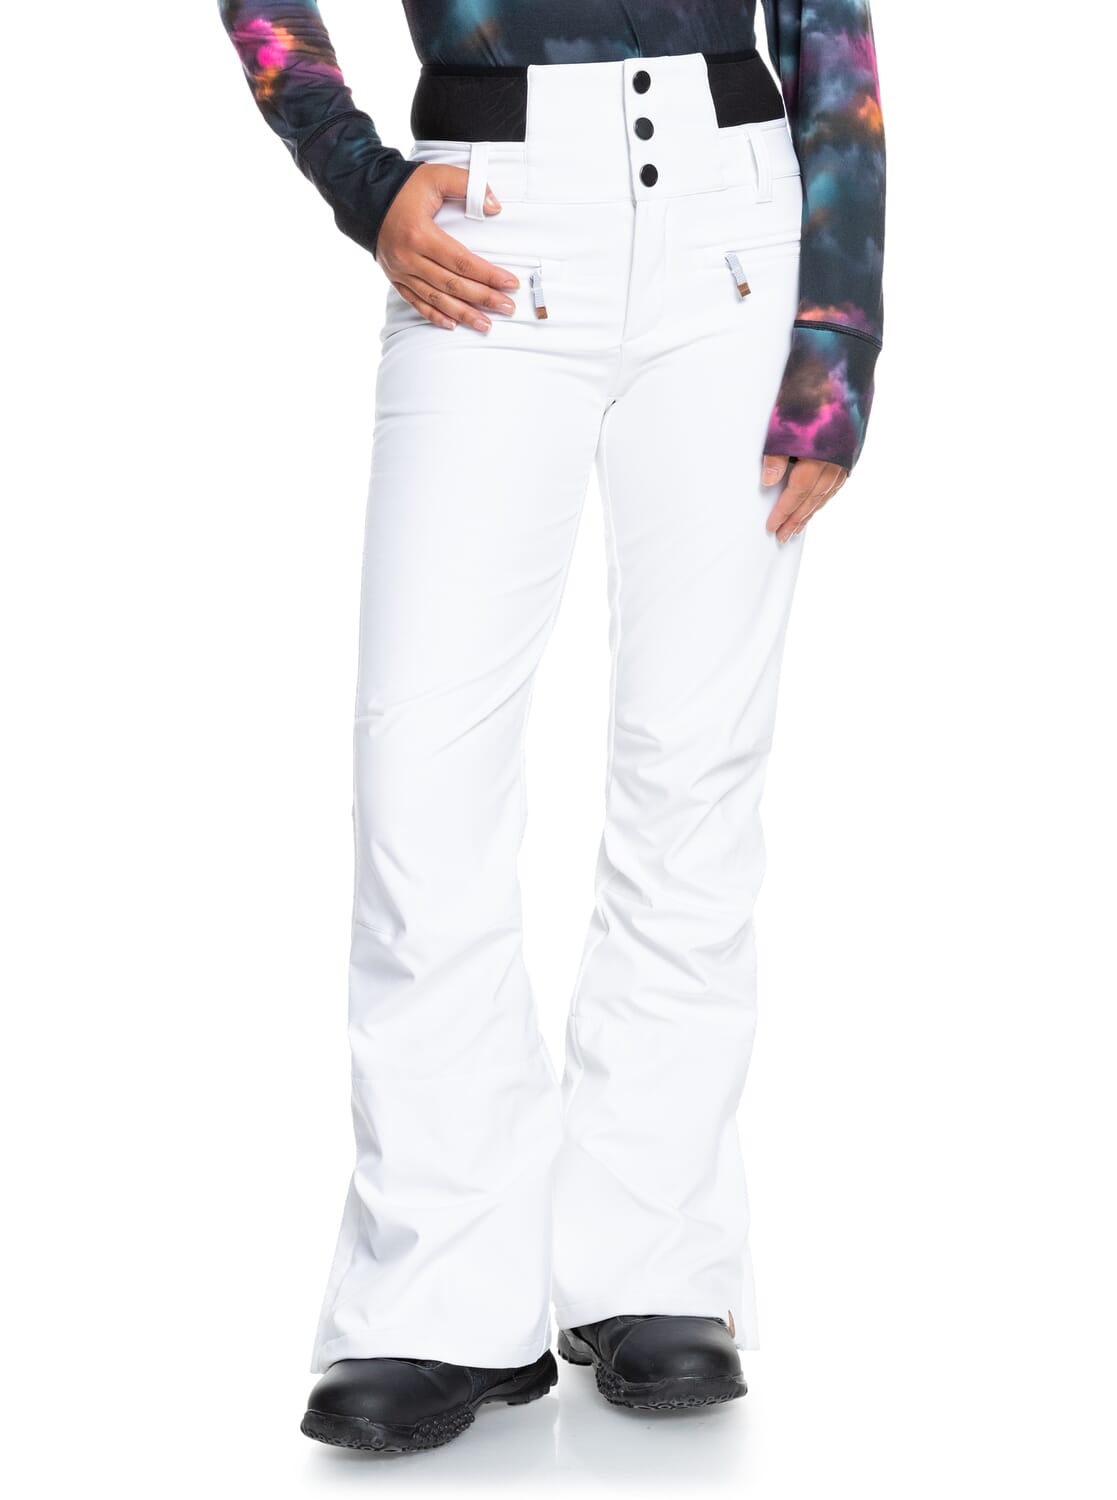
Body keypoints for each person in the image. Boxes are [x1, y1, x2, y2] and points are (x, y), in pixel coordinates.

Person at [218, 0, 885, 1454]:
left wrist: (838, 324)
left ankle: (654, 1262)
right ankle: (434, 1290)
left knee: (692, 768)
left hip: (732, 226)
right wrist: (358, 176)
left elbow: (827, 23)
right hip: (486, 224)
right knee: (421, 775)